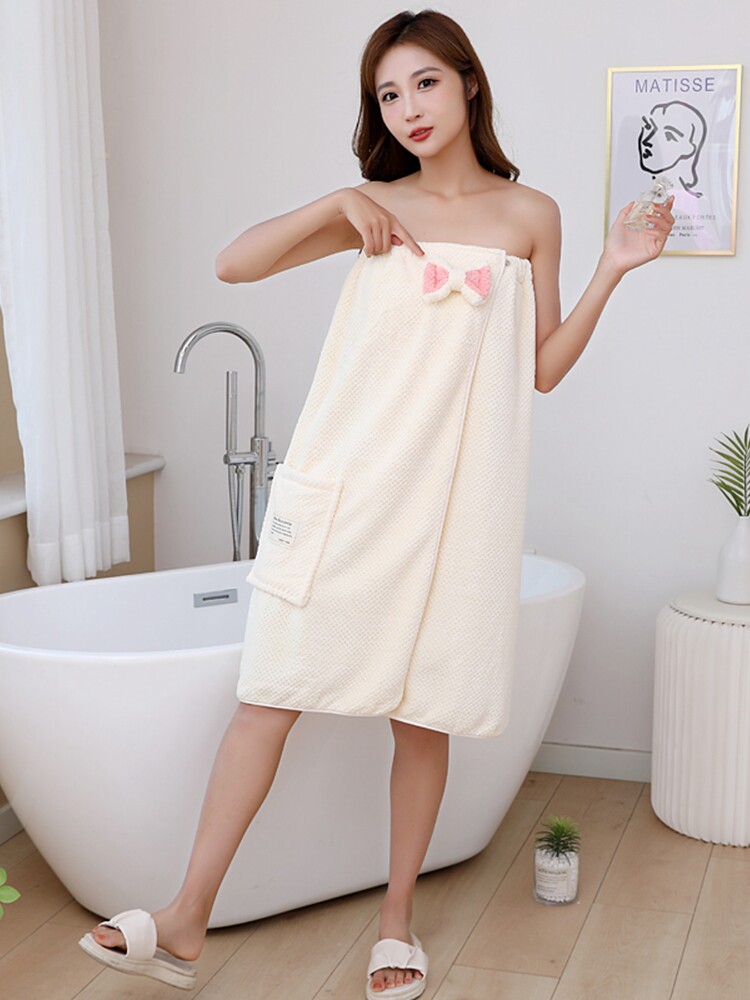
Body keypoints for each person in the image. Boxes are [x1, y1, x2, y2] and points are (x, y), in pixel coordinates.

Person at [78, 8, 674, 998]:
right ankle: (184, 919)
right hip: (348, 492)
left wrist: (614, 267)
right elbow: (233, 263)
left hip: (453, 508)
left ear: (468, 82)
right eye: (388, 95)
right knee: (268, 698)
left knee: (424, 716)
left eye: (424, 83)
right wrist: (335, 202)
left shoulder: (531, 215)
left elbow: (540, 370)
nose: (408, 109)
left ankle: (396, 926)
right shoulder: (373, 206)